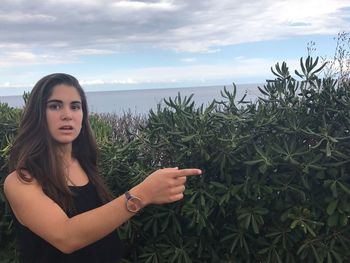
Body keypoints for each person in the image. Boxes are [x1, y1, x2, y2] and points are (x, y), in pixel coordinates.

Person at [3, 73, 202, 263]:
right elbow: (66, 236)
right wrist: (143, 194)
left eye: (75, 106)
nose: (67, 115)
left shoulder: (84, 164)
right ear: (37, 114)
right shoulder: (21, 181)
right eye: (55, 106)